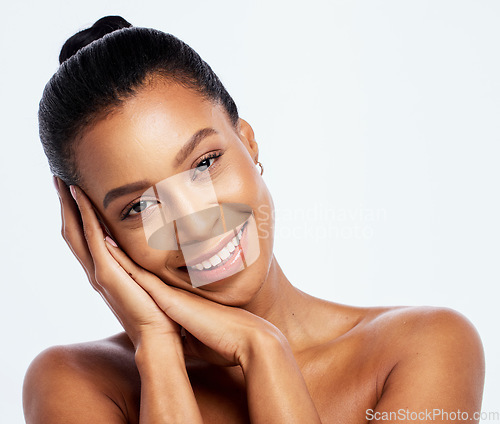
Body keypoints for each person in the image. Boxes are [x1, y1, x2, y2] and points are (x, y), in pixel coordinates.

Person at [23, 16, 485, 424]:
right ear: (98, 234)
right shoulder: (75, 381)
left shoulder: (423, 348)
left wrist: (266, 351)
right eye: (140, 206)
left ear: (248, 143)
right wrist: (157, 348)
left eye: (203, 164)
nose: (195, 224)